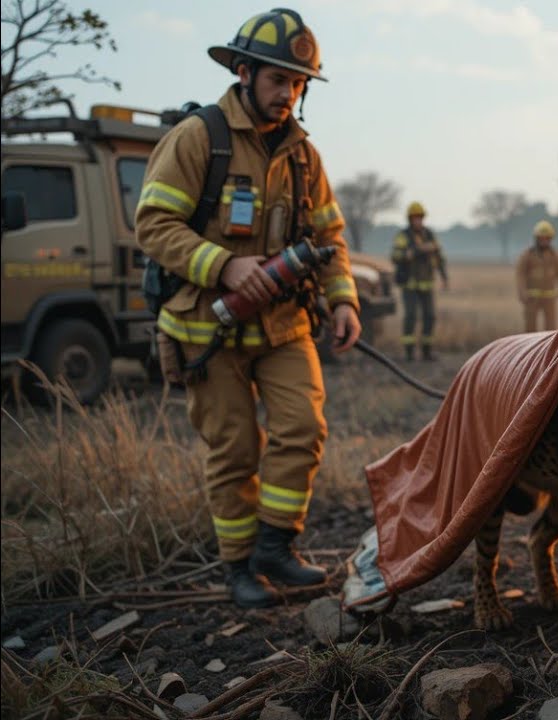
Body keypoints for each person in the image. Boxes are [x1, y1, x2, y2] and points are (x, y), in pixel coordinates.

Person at [135, 8, 361, 609]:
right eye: (278, 79)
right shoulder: (197, 138)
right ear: (243, 72)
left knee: (303, 429)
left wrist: (343, 299)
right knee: (234, 452)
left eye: (299, 82)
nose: (289, 93)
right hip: (204, 328)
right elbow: (153, 224)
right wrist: (223, 265)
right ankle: (238, 568)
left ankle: (275, 548)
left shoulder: (305, 157)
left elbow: (330, 237)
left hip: (284, 326)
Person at [391, 201, 448, 361]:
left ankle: (426, 351)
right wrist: (416, 251)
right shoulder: (403, 236)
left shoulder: (429, 235)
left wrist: (444, 276)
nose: (418, 221)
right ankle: (409, 352)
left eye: (420, 218)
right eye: (415, 218)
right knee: (410, 316)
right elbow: (395, 256)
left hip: (426, 283)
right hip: (409, 284)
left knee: (430, 316)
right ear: (410, 219)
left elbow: (439, 257)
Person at [515, 220, 558, 332]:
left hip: (550, 297)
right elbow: (520, 274)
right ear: (536, 238)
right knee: (530, 328)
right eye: (541, 238)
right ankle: (530, 343)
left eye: (546, 238)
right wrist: (522, 292)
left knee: (551, 327)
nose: (544, 241)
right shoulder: (527, 255)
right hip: (531, 298)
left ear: (550, 239)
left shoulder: (555, 256)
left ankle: (549, 344)